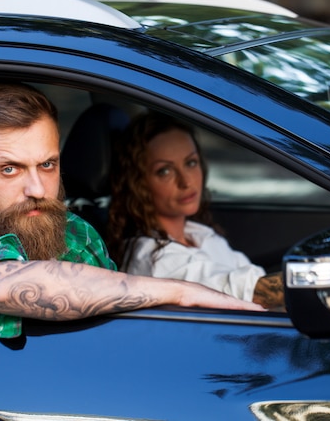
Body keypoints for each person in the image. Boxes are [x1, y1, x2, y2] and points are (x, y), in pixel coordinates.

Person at [0, 82, 263, 339]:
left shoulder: (77, 232)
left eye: (47, 164)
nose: (38, 189)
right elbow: (1, 285)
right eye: (10, 169)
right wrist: (180, 290)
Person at [107, 111, 284, 309]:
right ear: (138, 184)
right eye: (164, 171)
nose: (186, 181)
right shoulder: (152, 259)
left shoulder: (200, 234)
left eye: (191, 163)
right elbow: (243, 291)